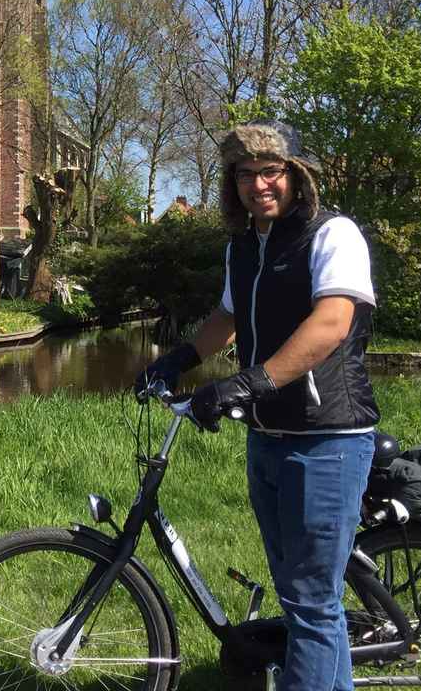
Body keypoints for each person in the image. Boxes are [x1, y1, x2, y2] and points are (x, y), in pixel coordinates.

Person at [137, 119, 378, 691]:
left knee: (312, 603)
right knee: (302, 599)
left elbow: (331, 323)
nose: (258, 184)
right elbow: (227, 315)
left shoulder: (332, 234)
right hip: (267, 438)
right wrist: (180, 358)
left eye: (271, 171)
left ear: (297, 176)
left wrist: (248, 384)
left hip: (326, 439)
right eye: (245, 174)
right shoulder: (243, 247)